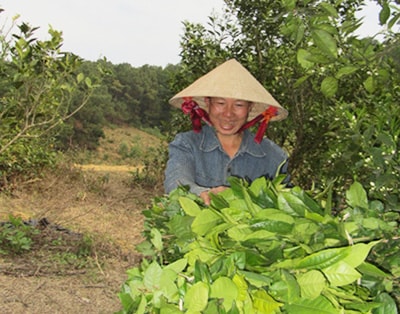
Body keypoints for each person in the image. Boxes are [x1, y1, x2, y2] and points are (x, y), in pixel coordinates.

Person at [164, 59, 289, 205]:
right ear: (208, 103)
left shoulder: (274, 157)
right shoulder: (187, 144)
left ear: (250, 108)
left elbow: (285, 201)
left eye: (239, 105)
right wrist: (202, 194)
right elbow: (176, 182)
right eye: (221, 103)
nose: (228, 114)